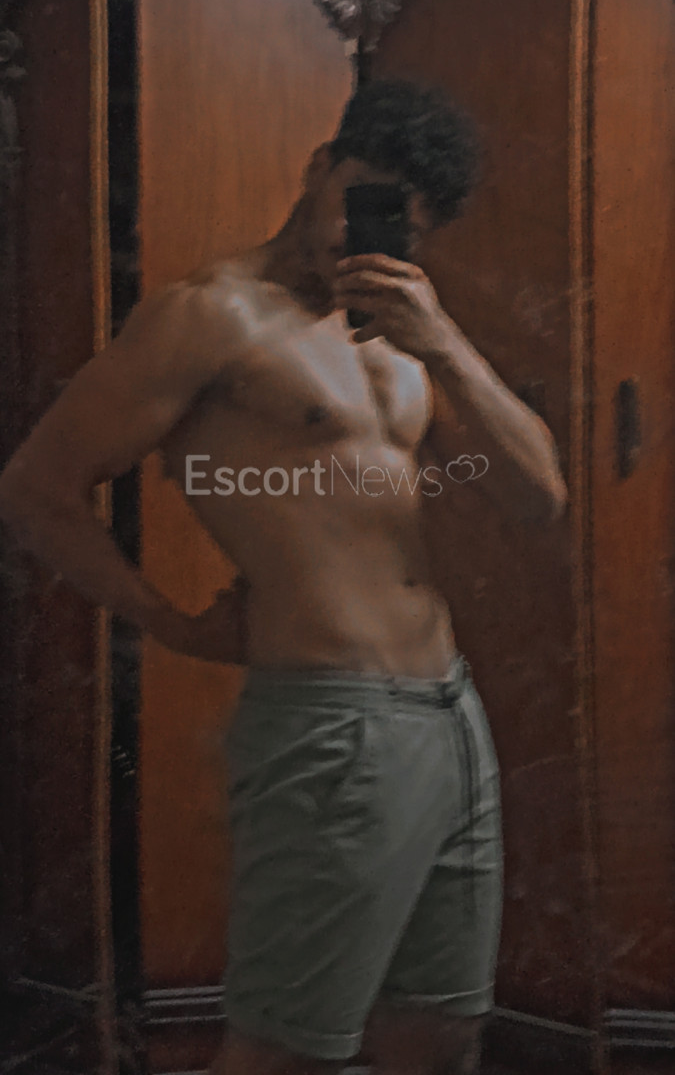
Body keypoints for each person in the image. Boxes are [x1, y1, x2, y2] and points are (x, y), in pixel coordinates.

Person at [0, 80, 567, 1075]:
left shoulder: (403, 338)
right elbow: (36, 488)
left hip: (450, 715)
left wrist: (445, 344)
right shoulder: (210, 315)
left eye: (399, 223)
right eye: (358, 196)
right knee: (287, 1051)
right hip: (333, 720)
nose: (359, 232)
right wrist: (169, 621)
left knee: (440, 1035)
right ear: (318, 166)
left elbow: (536, 496)